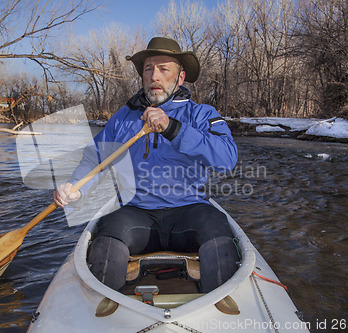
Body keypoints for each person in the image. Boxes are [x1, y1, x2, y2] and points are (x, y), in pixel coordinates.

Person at [53, 37, 239, 293]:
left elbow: (227, 159)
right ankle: (105, 310)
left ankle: (219, 308)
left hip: (189, 210)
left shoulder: (202, 114)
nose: (155, 76)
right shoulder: (123, 118)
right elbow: (95, 158)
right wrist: (76, 187)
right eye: (149, 69)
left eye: (164, 69)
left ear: (180, 77)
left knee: (216, 225)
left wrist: (173, 128)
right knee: (107, 232)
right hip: (135, 212)